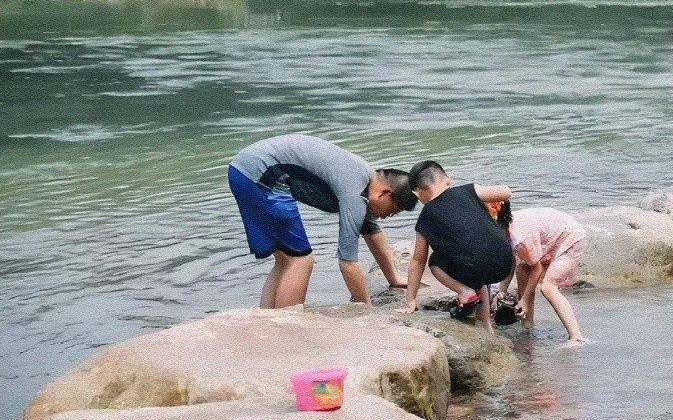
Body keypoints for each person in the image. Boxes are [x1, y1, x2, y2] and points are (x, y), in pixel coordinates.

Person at [228, 134, 417, 308]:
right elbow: (348, 263)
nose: (388, 216)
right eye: (393, 211)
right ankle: (285, 328)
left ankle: (269, 320)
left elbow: (371, 231)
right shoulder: (356, 191)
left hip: (244, 169)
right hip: (260, 174)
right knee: (300, 261)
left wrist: (394, 278)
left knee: (285, 259)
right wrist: (367, 311)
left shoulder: (363, 179)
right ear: (385, 193)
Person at [400, 160, 513, 333]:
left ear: (417, 194)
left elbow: (417, 261)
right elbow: (506, 192)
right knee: (477, 274)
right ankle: (487, 328)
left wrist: (410, 301)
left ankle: (464, 292)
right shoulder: (468, 190)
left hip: (476, 267)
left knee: (434, 260)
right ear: (448, 181)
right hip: (505, 261)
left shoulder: (425, 216)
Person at [491, 203, 588, 345]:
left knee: (548, 287)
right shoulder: (506, 230)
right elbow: (511, 263)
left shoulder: (520, 237)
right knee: (522, 269)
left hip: (570, 239)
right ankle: (527, 324)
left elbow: (537, 268)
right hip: (552, 239)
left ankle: (576, 337)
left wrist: (523, 300)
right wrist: (501, 291)